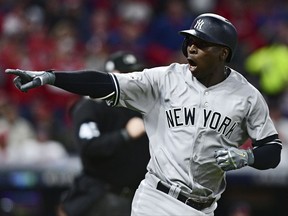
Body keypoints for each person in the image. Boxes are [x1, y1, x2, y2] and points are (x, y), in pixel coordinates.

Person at [5, 13, 282, 216]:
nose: (191, 47)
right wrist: (51, 77)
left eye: (201, 43)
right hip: (155, 199)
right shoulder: (164, 79)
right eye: (189, 41)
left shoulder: (247, 96)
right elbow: (105, 82)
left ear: (223, 53)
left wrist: (249, 156)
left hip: (203, 208)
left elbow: (272, 149)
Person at [57, 51, 150, 216]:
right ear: (112, 76)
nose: (133, 79)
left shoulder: (144, 107)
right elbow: (89, 147)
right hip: (102, 197)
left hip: (139, 199)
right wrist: (124, 135)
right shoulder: (91, 106)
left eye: (136, 73)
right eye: (127, 74)